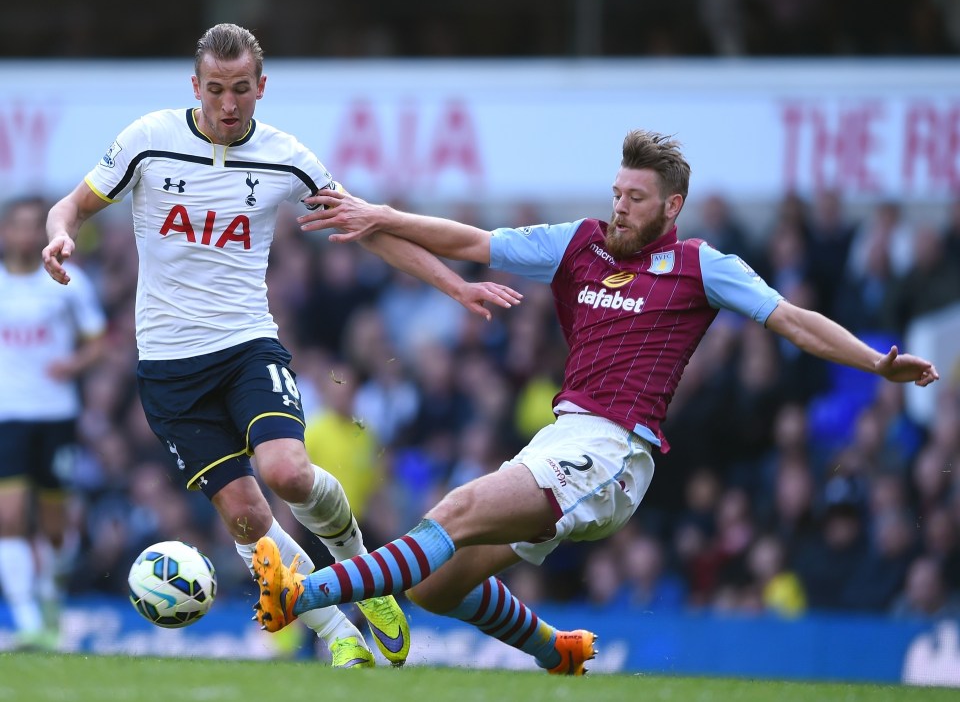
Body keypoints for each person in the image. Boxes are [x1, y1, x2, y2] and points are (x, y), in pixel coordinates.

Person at [249, 129, 939, 674]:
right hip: (559, 443)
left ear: (671, 206)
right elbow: (472, 242)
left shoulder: (702, 265)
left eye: (636, 198)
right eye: (617, 192)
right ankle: (558, 649)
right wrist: (378, 214)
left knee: (451, 513)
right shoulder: (578, 244)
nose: (620, 206)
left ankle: (305, 595)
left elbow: (790, 319)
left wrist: (876, 362)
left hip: (615, 452)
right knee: (434, 587)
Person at [41, 23, 520, 668]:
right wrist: (60, 237)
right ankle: (337, 635)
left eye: (241, 89)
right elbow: (69, 207)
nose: (229, 104)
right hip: (167, 368)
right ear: (196, 86)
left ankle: (364, 573)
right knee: (246, 520)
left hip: (245, 347)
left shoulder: (286, 157)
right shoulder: (147, 141)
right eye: (216, 89)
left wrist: (455, 286)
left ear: (262, 86)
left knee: (287, 472)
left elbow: (370, 228)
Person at [0, 195, 107, 649]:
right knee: (8, 517)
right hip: (9, 416)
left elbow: (98, 341)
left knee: (55, 525)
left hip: (57, 414)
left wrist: (74, 364)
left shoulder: (68, 282)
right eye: (17, 226)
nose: (25, 235)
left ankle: (49, 595)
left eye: (32, 226)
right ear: (5, 233)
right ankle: (25, 619)